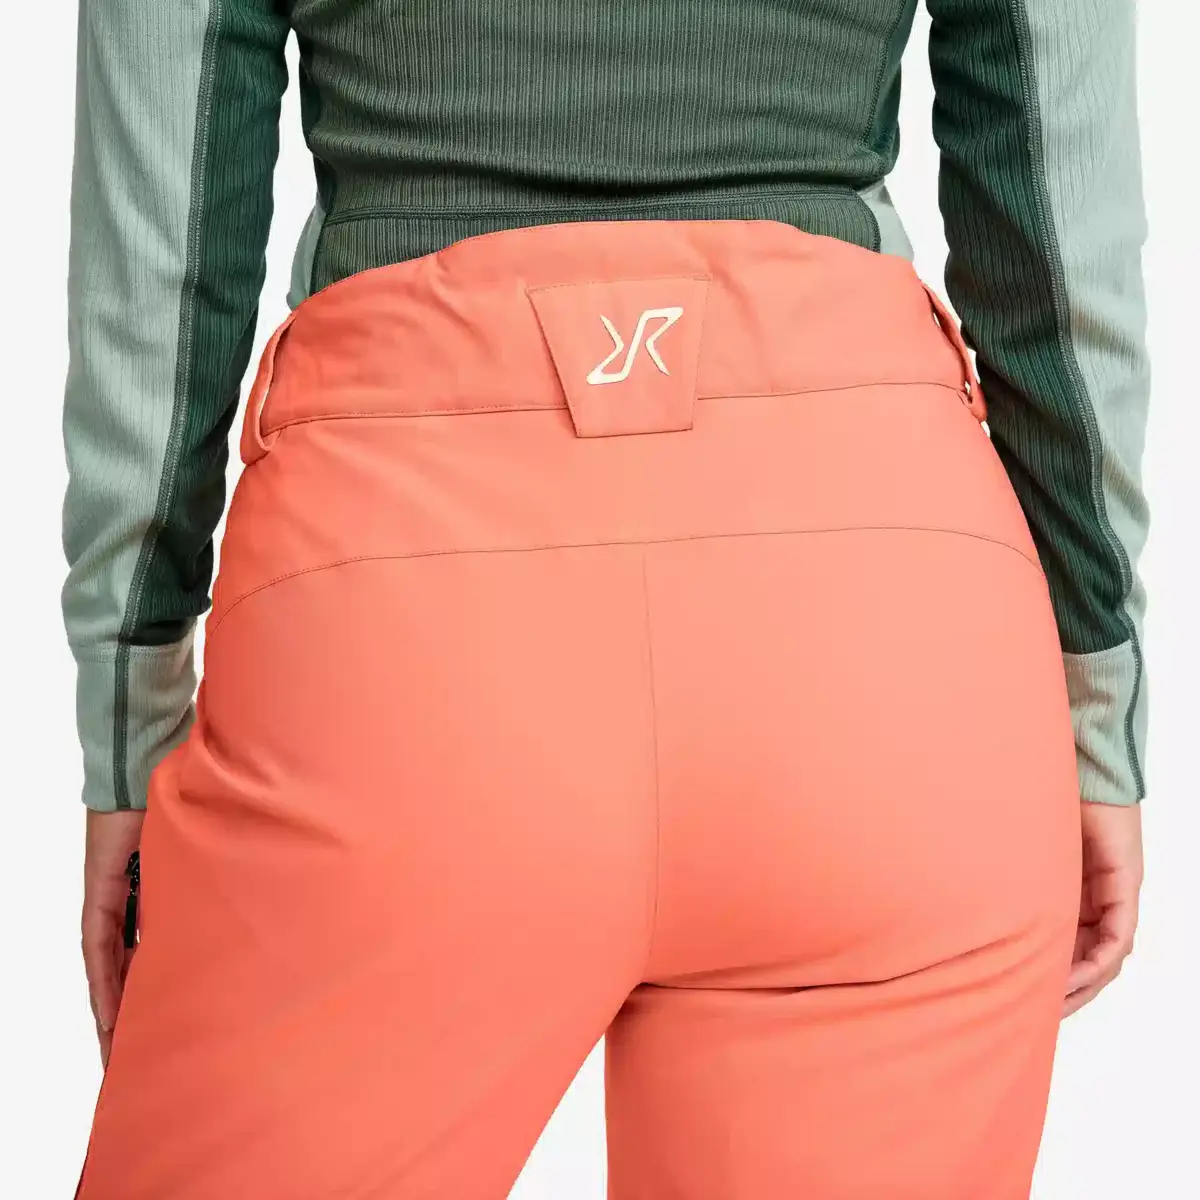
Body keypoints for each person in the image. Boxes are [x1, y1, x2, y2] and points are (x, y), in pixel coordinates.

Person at [65, 1, 1147, 1197]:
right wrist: (1096, 708)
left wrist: (130, 724)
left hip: (402, 632)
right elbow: (1061, 211)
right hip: (886, 652)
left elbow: (159, 248)